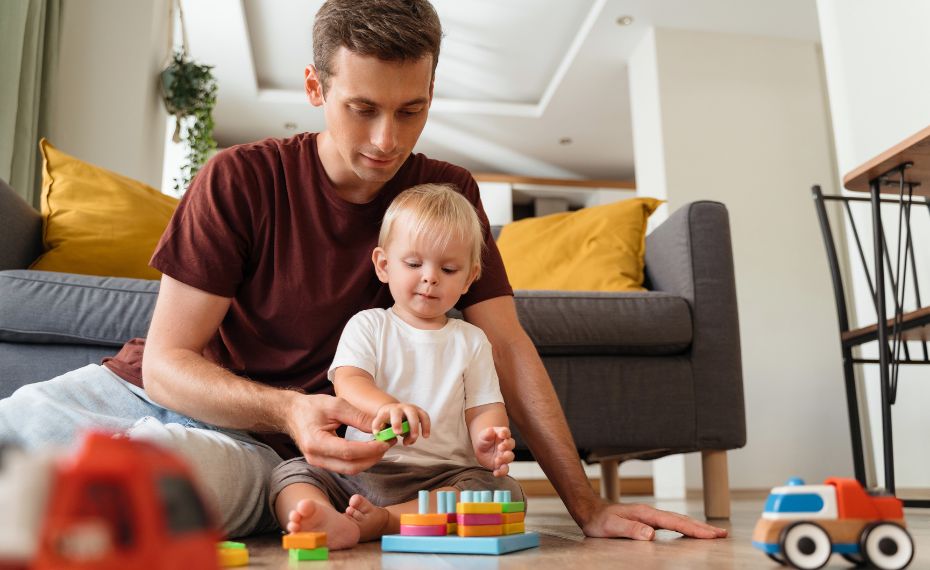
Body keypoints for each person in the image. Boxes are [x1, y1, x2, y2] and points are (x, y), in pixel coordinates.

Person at [0, 0, 726, 541]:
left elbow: (507, 346)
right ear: (316, 90)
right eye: (362, 108)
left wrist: (588, 506)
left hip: (250, 449)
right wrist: (289, 405)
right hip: (137, 391)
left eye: (412, 110)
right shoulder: (237, 178)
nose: (387, 141)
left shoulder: (447, 192)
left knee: (125, 494)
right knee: (18, 436)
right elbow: (165, 366)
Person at [270, 184, 520, 549]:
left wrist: (489, 439)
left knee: (503, 491)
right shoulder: (369, 324)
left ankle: (385, 521)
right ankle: (319, 517)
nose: (430, 277)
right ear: (384, 265)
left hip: (442, 479)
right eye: (414, 264)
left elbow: (485, 406)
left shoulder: (471, 339)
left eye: (448, 269)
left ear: (469, 278)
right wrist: (385, 406)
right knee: (290, 472)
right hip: (364, 472)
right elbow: (349, 380)